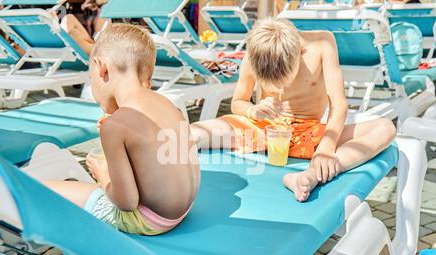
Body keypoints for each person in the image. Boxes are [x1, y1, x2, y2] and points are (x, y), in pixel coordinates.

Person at [191, 18, 396, 202]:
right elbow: (238, 102)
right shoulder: (255, 52)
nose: (280, 89)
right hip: (264, 129)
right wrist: (254, 111)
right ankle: (171, 179)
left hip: (309, 133)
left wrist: (326, 149)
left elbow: (339, 104)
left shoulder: (322, 44)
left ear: (299, 52)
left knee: (385, 128)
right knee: (194, 132)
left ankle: (311, 176)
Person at [44, 24, 200, 235]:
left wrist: (103, 176)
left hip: (148, 221)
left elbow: (126, 202)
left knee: (41, 189)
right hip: (181, 210)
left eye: (91, 78)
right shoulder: (168, 104)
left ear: (101, 67)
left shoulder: (115, 127)